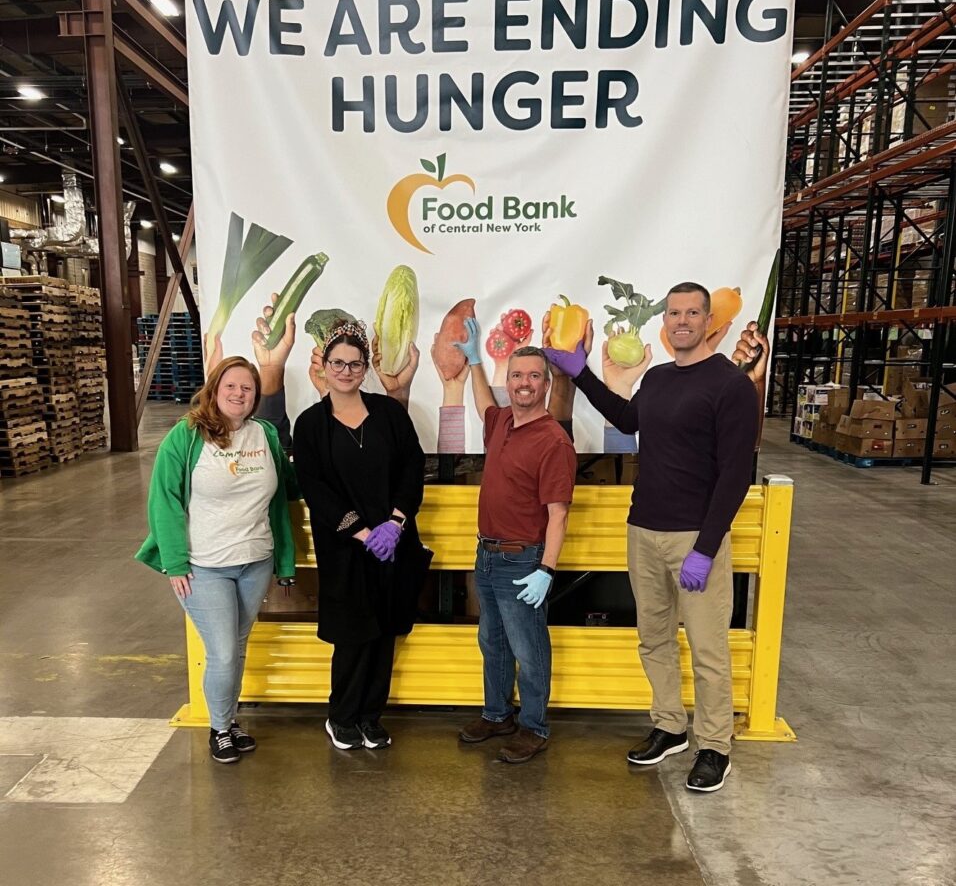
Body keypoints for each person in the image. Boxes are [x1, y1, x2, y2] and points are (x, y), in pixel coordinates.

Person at [544, 283, 759, 793]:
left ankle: (715, 746)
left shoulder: (731, 385)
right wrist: (581, 375)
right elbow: (624, 418)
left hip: (694, 536)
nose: (682, 320)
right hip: (644, 529)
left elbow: (735, 474)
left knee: (708, 649)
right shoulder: (659, 378)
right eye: (673, 313)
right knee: (654, 639)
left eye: (692, 313)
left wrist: (706, 547)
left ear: (708, 320)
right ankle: (669, 725)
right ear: (664, 321)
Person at [135, 356, 298, 765]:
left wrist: (284, 560)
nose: (239, 394)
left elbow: (285, 493)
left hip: (254, 561)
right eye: (231, 386)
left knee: (236, 647)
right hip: (204, 565)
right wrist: (174, 562)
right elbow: (164, 500)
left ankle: (229, 719)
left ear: (256, 396)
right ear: (214, 389)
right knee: (223, 652)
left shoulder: (264, 435)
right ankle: (220, 728)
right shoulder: (186, 436)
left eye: (247, 388)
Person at [291, 320, 430, 751]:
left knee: (384, 633)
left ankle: (372, 716)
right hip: (345, 549)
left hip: (392, 544)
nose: (346, 371)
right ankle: (343, 716)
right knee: (353, 635)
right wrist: (362, 530)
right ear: (325, 367)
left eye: (354, 364)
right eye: (338, 363)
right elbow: (314, 486)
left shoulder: (389, 414)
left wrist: (395, 522)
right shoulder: (311, 424)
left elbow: (412, 467)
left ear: (365, 367)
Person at [454, 322, 577, 764]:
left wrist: (546, 570)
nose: (524, 384)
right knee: (493, 642)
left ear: (546, 383)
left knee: (529, 647)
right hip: (486, 555)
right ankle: (497, 714)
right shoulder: (503, 421)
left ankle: (534, 727)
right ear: (509, 382)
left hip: (523, 561)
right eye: (517, 376)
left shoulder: (553, 442)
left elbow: (558, 514)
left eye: (534, 376)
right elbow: (484, 403)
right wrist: (473, 360)